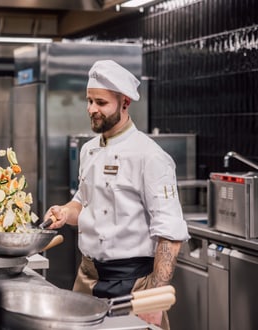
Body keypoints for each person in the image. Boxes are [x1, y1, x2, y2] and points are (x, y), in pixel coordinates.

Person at [44, 59, 189, 329]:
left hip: (133, 284)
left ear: (125, 103)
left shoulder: (150, 156)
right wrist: (65, 212)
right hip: (87, 277)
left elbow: (169, 235)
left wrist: (155, 299)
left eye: (101, 103)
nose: (91, 110)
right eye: (89, 101)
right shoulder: (88, 150)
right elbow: (82, 203)